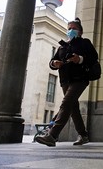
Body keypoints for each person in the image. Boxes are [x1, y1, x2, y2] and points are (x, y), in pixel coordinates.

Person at [36, 17, 99, 147]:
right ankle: (83, 135)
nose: (70, 30)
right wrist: (54, 63)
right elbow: (52, 62)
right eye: (69, 28)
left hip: (80, 79)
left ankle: (52, 135)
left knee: (66, 104)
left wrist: (80, 59)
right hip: (65, 80)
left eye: (74, 28)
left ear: (80, 32)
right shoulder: (62, 47)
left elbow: (94, 58)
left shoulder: (85, 43)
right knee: (73, 108)